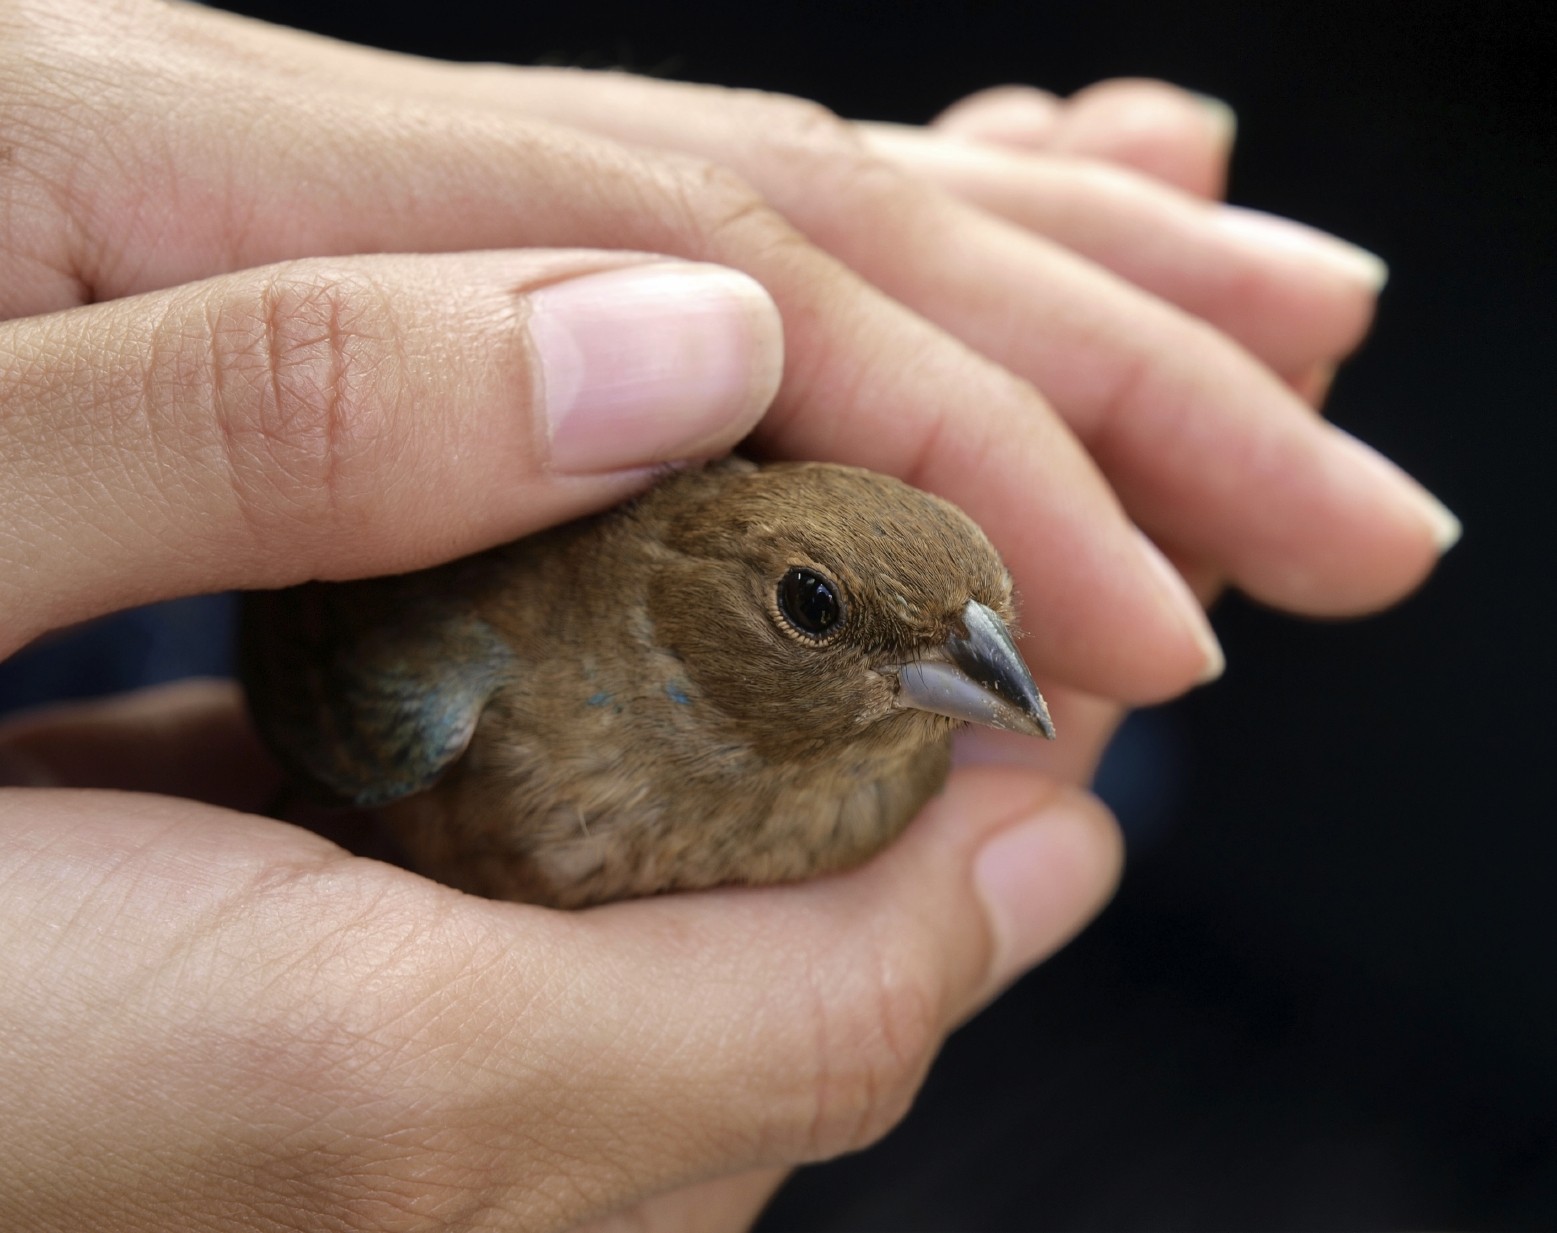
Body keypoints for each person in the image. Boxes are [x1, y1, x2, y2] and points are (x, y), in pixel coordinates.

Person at [0, 1, 1457, 1228]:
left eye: (976, 634)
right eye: (816, 608)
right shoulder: (462, 688)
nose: (962, 684)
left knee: (1108, 752)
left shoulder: (902, 740)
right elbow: (297, 621)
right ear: (702, 592)